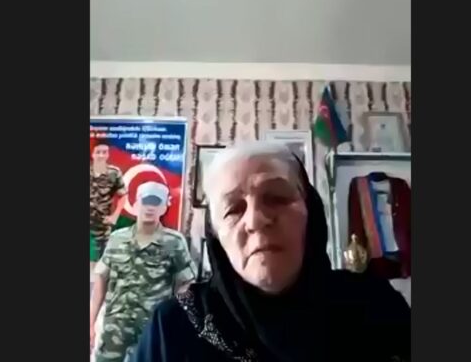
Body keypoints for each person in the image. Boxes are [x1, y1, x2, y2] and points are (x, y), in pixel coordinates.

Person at [135, 142, 411, 361]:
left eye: (277, 198)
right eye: (233, 209)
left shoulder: (376, 304)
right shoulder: (173, 326)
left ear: (311, 213)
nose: (255, 221)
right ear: (216, 236)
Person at [90, 181, 196, 362]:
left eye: (156, 202)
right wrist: (90, 322)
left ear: (164, 207)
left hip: (153, 330)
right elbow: (101, 282)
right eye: (146, 201)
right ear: (136, 203)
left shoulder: (174, 242)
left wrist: (179, 323)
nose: (150, 207)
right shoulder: (117, 239)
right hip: (115, 329)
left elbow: (185, 286)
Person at [90, 141, 127, 269]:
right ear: (93, 154)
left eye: (104, 152)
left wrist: (115, 216)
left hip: (102, 224)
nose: (101, 155)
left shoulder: (114, 173)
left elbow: (123, 195)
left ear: (108, 154)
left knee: (104, 263)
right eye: (98, 152)